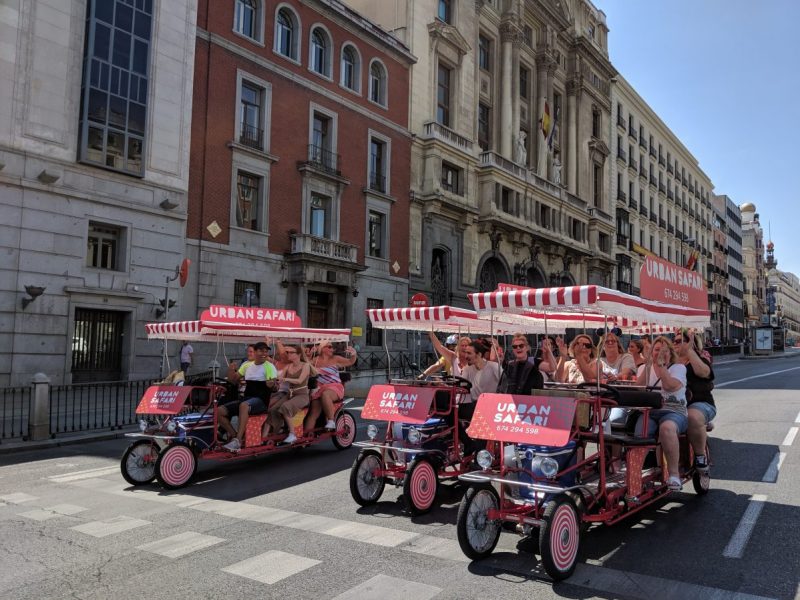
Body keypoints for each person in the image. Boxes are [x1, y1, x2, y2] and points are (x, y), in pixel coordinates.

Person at [634, 336, 688, 491]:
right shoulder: (644, 368)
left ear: (670, 353)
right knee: (639, 433)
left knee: (667, 428)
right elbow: (639, 389)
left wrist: (662, 366)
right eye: (657, 350)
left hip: (674, 411)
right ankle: (636, 473)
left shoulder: (678, 368)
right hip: (650, 412)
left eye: (664, 350)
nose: (660, 353)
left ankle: (673, 474)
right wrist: (648, 366)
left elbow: (670, 386)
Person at [219, 342, 278, 451]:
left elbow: (274, 387)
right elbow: (233, 380)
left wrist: (272, 385)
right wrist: (231, 369)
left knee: (244, 405)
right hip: (247, 399)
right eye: (261, 351)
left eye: (266, 351)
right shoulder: (247, 365)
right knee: (219, 411)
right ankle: (235, 436)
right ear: (255, 352)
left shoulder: (269, 367)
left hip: (261, 401)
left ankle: (237, 440)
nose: (264, 353)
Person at [674, 330, 715, 473]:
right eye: (674, 341)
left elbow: (704, 373)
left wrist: (689, 351)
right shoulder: (671, 363)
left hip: (700, 403)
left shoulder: (699, 360)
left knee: (692, 416)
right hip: (674, 405)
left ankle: (700, 456)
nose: (675, 344)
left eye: (679, 341)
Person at [305, 340, 357, 434]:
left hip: (335, 387)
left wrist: (353, 354)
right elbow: (306, 366)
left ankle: (331, 421)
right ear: (322, 349)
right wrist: (308, 356)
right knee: (313, 413)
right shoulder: (315, 360)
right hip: (320, 388)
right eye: (329, 347)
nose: (332, 349)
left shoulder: (336, 359)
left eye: (332, 347)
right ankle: (305, 437)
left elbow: (350, 362)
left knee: (326, 395)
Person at [266, 344, 311, 445]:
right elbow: (280, 379)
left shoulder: (305, 366)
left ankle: (292, 434)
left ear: (298, 354)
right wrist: (274, 382)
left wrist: (285, 379)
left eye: (291, 352)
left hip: (302, 395)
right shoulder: (288, 366)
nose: (288, 354)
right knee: (273, 409)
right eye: (287, 352)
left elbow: (299, 381)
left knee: (285, 406)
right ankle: (276, 432)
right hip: (290, 394)